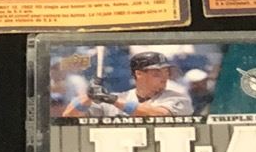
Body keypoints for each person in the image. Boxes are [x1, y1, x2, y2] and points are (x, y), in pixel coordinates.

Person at [61, 51, 194, 118]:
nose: (165, 78)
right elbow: (68, 116)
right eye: (157, 73)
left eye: (166, 72)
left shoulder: (178, 98)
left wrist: (111, 99)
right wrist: (88, 96)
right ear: (139, 74)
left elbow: (158, 115)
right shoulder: (116, 100)